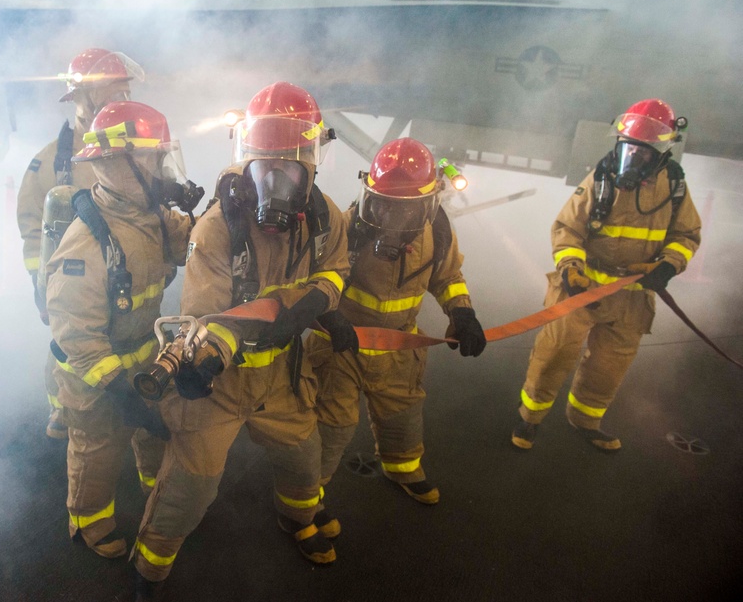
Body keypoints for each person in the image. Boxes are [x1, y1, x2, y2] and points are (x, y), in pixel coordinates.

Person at [132, 82, 350, 600]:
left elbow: (337, 270)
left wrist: (321, 302)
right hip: (223, 384)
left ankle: (297, 519)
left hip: (283, 379)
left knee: (305, 463)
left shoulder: (326, 219)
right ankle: (150, 570)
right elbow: (211, 316)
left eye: (289, 168)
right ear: (248, 162)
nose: (275, 181)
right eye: (264, 167)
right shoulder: (216, 229)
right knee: (191, 483)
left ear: (311, 166)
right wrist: (205, 361)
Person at [45, 101, 198, 559]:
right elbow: (79, 340)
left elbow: (185, 249)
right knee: (98, 449)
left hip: (143, 355)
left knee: (153, 432)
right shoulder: (87, 245)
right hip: (96, 378)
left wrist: (210, 216)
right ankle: (88, 522)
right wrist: (121, 392)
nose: (163, 170)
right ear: (118, 164)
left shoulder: (144, 212)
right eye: (155, 160)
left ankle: (156, 493)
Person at [511, 99, 702, 451]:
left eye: (644, 152)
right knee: (553, 355)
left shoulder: (674, 187)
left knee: (609, 366)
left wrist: (668, 266)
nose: (634, 158)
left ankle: (586, 421)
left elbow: (686, 236)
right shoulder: (600, 179)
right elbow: (568, 228)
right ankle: (529, 418)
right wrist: (570, 269)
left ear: (661, 151)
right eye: (629, 149)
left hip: (631, 295)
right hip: (583, 288)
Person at [310, 137, 486, 508]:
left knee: (402, 413)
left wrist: (462, 313)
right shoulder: (350, 227)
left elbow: (448, 276)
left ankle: (402, 467)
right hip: (344, 345)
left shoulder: (436, 231)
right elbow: (322, 278)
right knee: (332, 425)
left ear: (427, 204)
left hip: (398, 347)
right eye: (383, 206)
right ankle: (307, 497)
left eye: (404, 209)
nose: (391, 219)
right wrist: (329, 318)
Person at [15, 48, 144, 438]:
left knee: (129, 341)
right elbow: (32, 227)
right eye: (112, 93)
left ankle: (130, 404)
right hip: (72, 278)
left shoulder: (136, 146)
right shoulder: (52, 161)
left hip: (126, 272)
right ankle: (62, 409)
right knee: (67, 347)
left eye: (124, 94)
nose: (121, 103)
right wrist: (42, 289)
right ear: (81, 98)